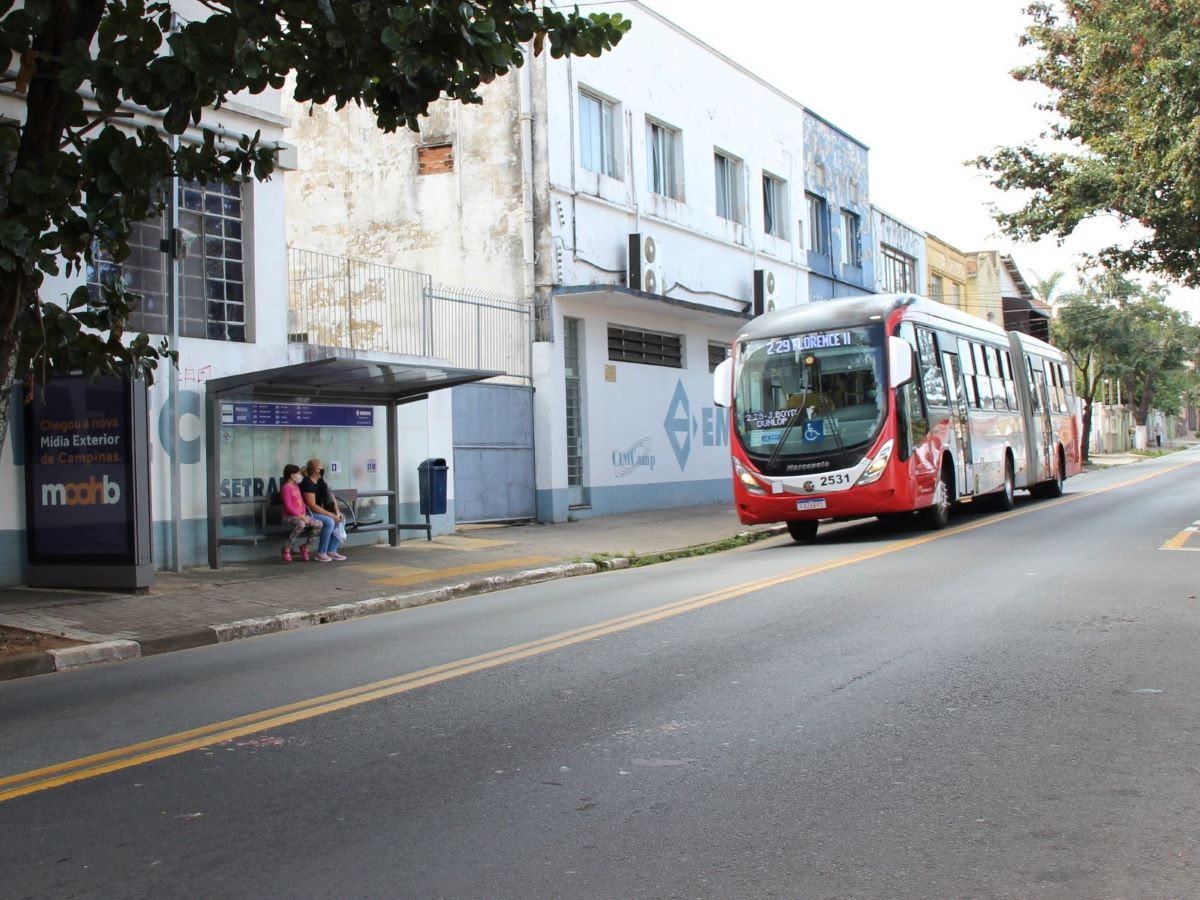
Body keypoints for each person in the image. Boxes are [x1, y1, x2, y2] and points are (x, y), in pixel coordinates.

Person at [301, 457, 345, 561]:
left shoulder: (320, 481)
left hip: (321, 511)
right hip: (309, 513)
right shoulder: (307, 482)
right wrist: (331, 515)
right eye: (321, 466)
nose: (323, 468)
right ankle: (321, 553)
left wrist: (337, 513)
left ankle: (332, 550)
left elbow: (331, 497)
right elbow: (312, 506)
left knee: (341, 519)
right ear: (315, 469)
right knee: (330, 522)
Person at [280, 464, 320, 563]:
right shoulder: (286, 488)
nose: (300, 475)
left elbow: (302, 503)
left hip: (301, 516)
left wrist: (304, 514)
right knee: (301, 524)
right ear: (292, 475)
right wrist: (301, 516)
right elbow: (288, 506)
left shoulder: (296, 487)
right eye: (297, 473)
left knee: (319, 524)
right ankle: (287, 548)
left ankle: (306, 547)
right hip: (288, 516)